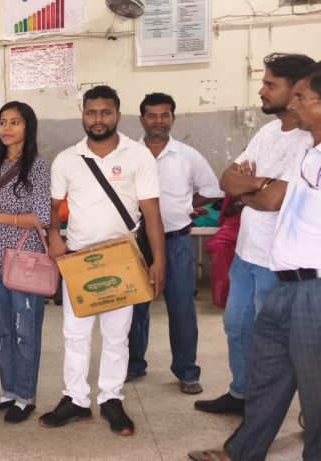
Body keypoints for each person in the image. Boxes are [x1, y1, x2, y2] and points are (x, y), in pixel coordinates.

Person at [188, 60, 321, 461]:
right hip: (287, 282)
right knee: (267, 375)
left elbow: (271, 199)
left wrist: (251, 190)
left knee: (315, 392)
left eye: (301, 97)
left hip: (313, 287)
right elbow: (239, 185)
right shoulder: (309, 150)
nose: (293, 104)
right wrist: (256, 189)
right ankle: (243, 451)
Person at [40, 85, 166, 436]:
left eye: (105, 112)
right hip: (78, 260)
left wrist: (159, 261)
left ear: (118, 115)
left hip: (121, 259)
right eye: (91, 112)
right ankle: (76, 400)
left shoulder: (138, 156)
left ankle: (111, 399)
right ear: (83, 114)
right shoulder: (67, 158)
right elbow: (53, 208)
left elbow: (152, 214)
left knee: (116, 336)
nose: (98, 119)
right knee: (74, 335)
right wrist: (54, 236)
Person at [126, 92, 223, 394]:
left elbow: (213, 190)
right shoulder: (127, 155)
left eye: (164, 115)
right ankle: (133, 364)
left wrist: (185, 204)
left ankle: (187, 371)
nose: (158, 121)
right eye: (152, 116)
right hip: (136, 243)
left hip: (176, 241)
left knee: (182, 307)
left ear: (173, 118)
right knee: (135, 307)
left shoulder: (187, 155)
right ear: (141, 119)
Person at [0, 101, 51, 424]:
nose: (7, 128)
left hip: (24, 261)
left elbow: (42, 216)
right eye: (3, 122)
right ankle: (8, 392)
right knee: (3, 331)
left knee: (25, 331)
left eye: (15, 122)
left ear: (28, 127)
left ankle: (26, 396)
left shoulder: (37, 167)